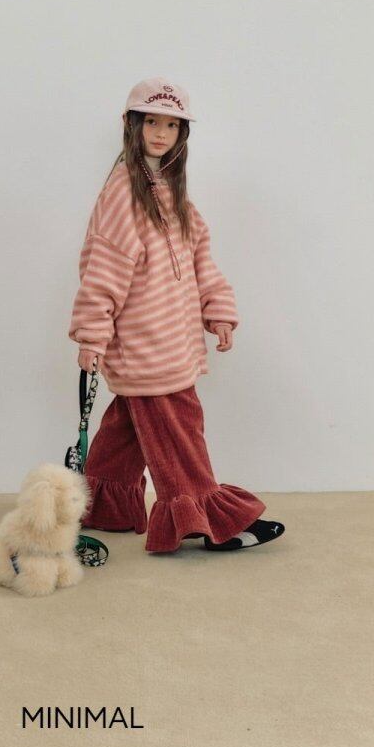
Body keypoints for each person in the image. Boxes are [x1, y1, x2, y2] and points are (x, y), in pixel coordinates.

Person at [67, 77, 285, 553]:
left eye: (171, 125)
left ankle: (98, 505)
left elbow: (201, 260)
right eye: (152, 122)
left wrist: (218, 310)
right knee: (178, 433)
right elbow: (102, 271)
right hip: (146, 345)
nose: (161, 134)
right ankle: (210, 522)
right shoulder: (123, 195)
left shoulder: (174, 195)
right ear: (132, 125)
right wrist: (92, 336)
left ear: (182, 133)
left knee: (128, 429)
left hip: (175, 342)